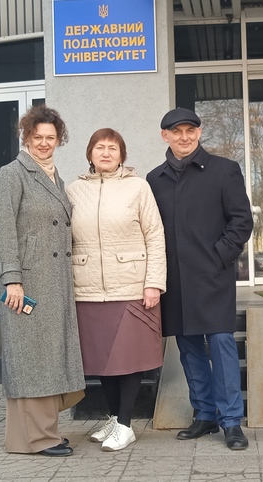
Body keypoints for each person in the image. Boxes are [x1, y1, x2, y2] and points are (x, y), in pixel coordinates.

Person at [146, 107, 254, 451]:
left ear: (199, 132)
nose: (184, 137)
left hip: (213, 278)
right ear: (165, 135)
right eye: (176, 131)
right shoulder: (154, 179)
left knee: (221, 345)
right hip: (175, 280)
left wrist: (219, 256)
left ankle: (231, 421)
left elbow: (242, 221)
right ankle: (205, 414)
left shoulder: (224, 170)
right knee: (189, 348)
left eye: (190, 130)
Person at [0, 103, 85, 457]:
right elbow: (2, 230)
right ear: (26, 137)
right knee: (32, 359)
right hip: (27, 283)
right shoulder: (12, 174)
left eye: (50, 137)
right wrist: (12, 279)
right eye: (37, 137)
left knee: (46, 356)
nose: (44, 143)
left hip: (54, 281)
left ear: (59, 139)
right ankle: (38, 438)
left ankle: (40, 434)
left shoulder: (54, 178)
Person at [66, 128, 167, 452]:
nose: (106, 153)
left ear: (122, 155)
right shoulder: (73, 191)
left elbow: (155, 236)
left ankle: (125, 425)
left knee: (127, 359)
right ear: (90, 154)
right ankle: (113, 418)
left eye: (113, 148)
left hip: (131, 288)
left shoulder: (138, 187)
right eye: (100, 147)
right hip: (88, 289)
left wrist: (153, 283)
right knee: (101, 361)